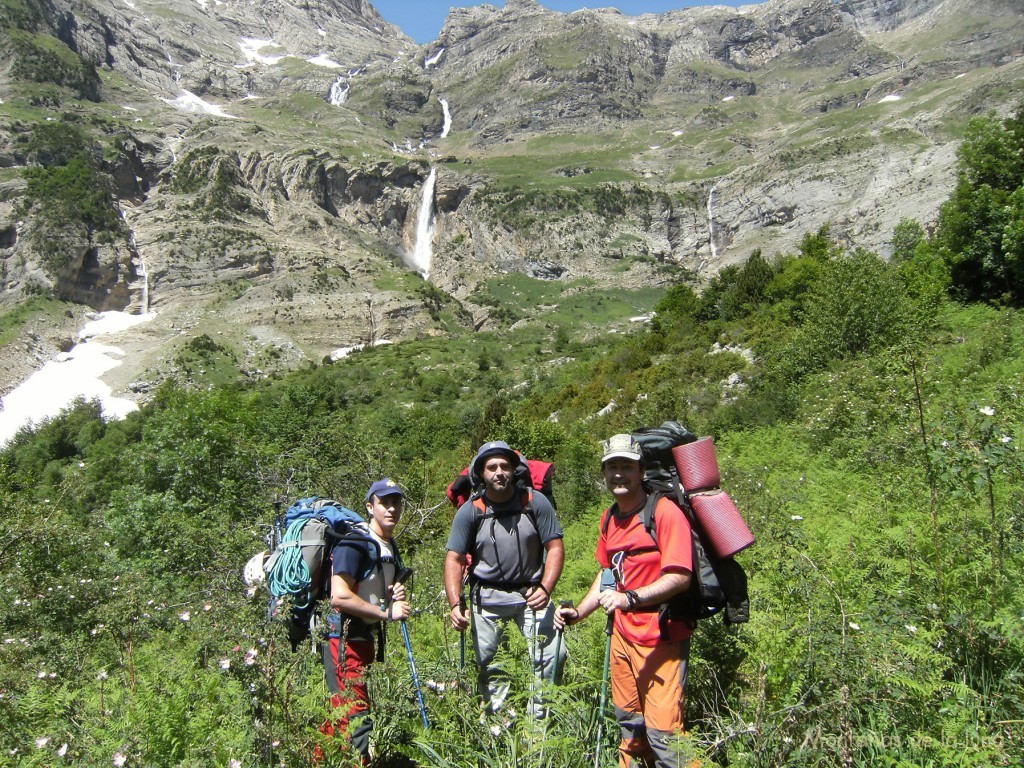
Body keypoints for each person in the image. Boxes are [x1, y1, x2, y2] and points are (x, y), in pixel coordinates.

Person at [556, 434, 695, 768]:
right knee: (630, 728)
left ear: (642, 470)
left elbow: (680, 577)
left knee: (668, 735)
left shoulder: (664, 513)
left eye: (627, 467)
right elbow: (608, 573)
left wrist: (630, 598)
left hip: (662, 637)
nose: (619, 474)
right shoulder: (610, 517)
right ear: (604, 473)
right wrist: (578, 613)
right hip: (623, 638)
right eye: (612, 467)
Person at [444, 440, 566, 717]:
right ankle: (499, 726)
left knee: (551, 656)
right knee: (491, 666)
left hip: (532, 595)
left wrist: (546, 587)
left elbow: (555, 547)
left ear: (514, 470)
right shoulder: (471, 511)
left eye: (504, 466)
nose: (499, 472)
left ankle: (539, 728)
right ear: (481, 474)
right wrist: (455, 603)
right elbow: (454, 558)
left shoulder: (535, 502)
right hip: (485, 598)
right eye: (491, 467)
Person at [319, 478, 411, 764]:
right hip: (343, 639)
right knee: (355, 712)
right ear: (370, 507)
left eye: (396, 502)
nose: (392, 508)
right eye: (384, 502)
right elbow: (340, 597)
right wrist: (386, 613)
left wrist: (394, 591)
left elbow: (372, 586)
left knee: (342, 711)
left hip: (363, 639)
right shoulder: (355, 544)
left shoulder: (387, 546)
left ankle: (320, 758)